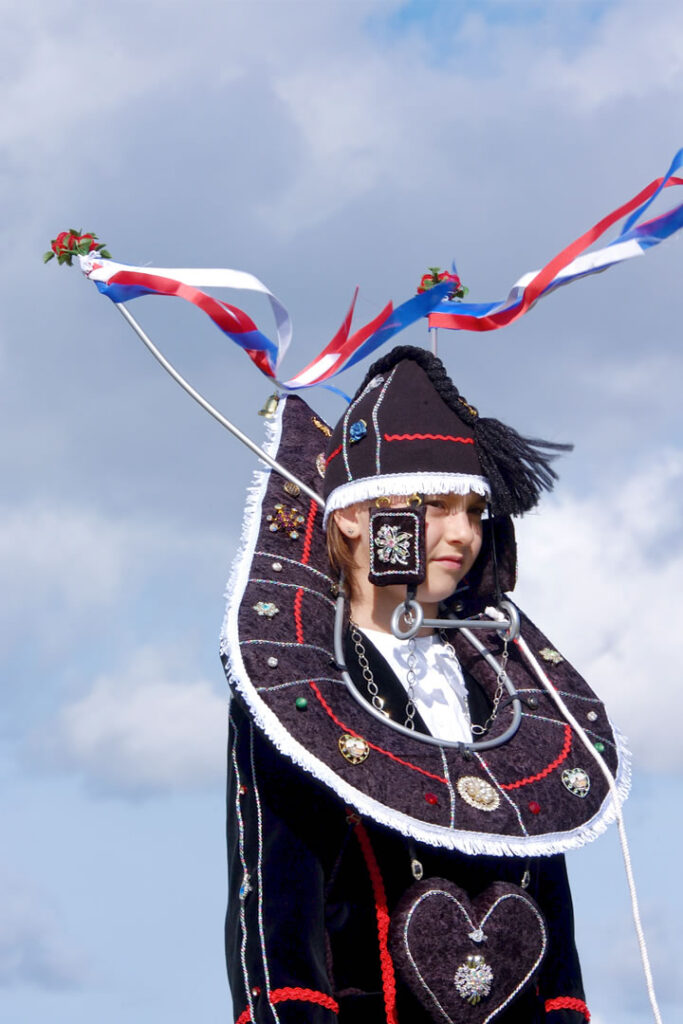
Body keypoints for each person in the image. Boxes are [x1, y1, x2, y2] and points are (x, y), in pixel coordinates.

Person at [221, 346, 627, 1024]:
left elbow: (557, 951)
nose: (463, 533)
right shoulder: (296, 683)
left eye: (473, 510)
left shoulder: (504, 685)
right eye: (436, 504)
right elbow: (279, 925)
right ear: (352, 516)